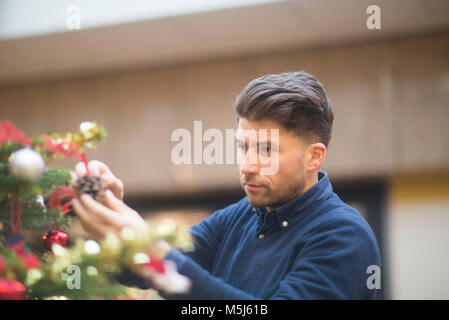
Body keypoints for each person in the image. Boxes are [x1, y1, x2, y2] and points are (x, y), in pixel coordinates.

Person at [72, 71, 381, 299]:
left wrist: (156, 251)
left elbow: (167, 261)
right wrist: (111, 212)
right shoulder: (237, 216)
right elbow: (138, 272)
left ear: (313, 157)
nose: (247, 165)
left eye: (266, 150)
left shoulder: (344, 235)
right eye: (243, 147)